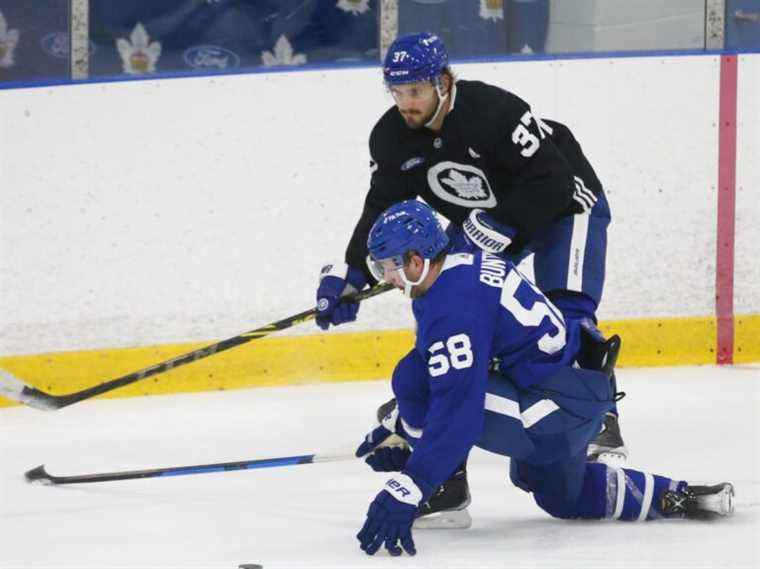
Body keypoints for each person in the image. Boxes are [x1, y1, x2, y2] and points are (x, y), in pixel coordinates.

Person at [315, 30, 624, 502]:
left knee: (569, 314)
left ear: (443, 81)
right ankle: (447, 470)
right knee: (452, 307)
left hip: (565, 205)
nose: (405, 104)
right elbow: (381, 206)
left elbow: (555, 181)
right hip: (489, 221)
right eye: (396, 93)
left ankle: (598, 421)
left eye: (415, 91)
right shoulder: (393, 136)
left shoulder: (494, 112)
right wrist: (352, 274)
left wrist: (504, 223)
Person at [352, 199, 733, 557]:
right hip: (576, 396)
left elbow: (458, 415)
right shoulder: (462, 264)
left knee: (413, 381)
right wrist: (409, 431)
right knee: (563, 497)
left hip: (549, 410)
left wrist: (413, 480)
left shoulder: (452, 308)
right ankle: (681, 496)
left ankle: (442, 488)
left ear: (416, 260)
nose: (387, 278)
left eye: (387, 266)